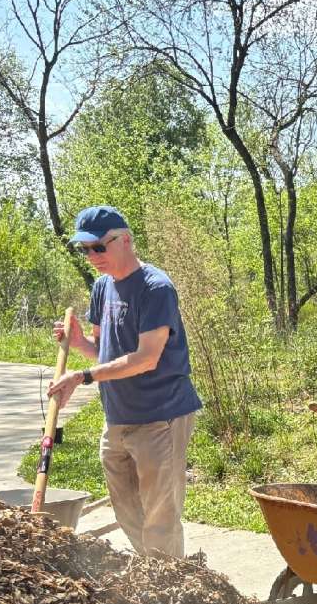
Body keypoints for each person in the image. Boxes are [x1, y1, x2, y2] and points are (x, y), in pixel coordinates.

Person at [47, 206, 202, 558]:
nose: (92, 256)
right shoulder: (102, 287)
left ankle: (171, 591)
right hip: (118, 417)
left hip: (160, 417)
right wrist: (77, 343)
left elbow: (146, 358)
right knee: (127, 510)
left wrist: (83, 377)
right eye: (84, 249)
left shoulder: (155, 288)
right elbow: (103, 352)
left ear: (126, 239)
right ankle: (152, 575)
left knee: (160, 517)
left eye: (99, 247)